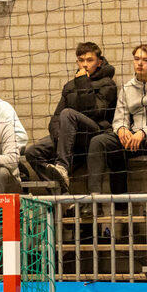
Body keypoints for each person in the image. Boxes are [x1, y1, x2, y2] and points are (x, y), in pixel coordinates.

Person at [87, 44, 147, 201]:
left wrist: (143, 132)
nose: (140, 63)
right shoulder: (127, 88)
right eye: (136, 59)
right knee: (98, 141)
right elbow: (119, 118)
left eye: (145, 60)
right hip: (134, 138)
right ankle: (94, 200)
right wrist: (122, 129)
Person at [24, 41, 119, 192]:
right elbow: (55, 119)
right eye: (81, 60)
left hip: (94, 134)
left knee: (68, 114)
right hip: (69, 138)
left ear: (99, 62)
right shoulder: (69, 86)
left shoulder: (108, 84)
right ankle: (62, 194)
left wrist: (83, 82)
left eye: (90, 60)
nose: (85, 65)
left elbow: (95, 112)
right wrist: (61, 138)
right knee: (33, 152)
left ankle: (62, 167)